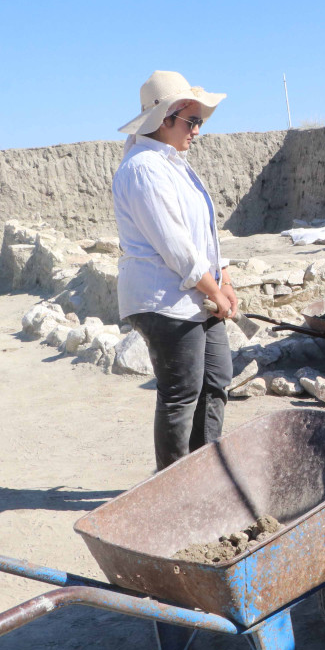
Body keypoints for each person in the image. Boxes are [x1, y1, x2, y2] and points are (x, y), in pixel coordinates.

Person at [112, 70, 236, 471]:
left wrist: (225, 279)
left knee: (216, 380)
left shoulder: (172, 164)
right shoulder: (143, 168)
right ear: (164, 119)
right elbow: (175, 245)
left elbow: (203, 233)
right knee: (182, 393)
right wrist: (213, 291)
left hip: (197, 293)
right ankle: (170, 489)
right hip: (164, 299)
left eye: (199, 121)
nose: (197, 130)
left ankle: (203, 473)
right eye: (192, 121)